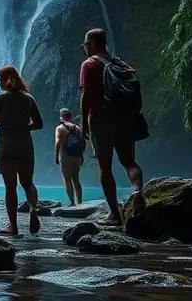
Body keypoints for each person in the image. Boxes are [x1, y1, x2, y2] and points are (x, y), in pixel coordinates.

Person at [80, 27, 146, 225]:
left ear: (91, 43)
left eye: (85, 44)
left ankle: (114, 215)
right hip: (124, 119)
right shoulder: (119, 63)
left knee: (105, 167)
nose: (84, 48)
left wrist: (83, 122)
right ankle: (138, 193)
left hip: (100, 120)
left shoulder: (89, 64)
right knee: (129, 162)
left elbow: (86, 96)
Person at [0, 65, 45, 236]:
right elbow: (39, 124)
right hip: (24, 144)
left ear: (4, 81)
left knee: (10, 187)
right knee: (28, 183)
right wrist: (24, 127)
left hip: (5, 145)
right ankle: (33, 209)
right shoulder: (28, 99)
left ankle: (13, 226)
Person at [54, 108, 85, 206]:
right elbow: (83, 142)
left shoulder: (60, 128)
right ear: (70, 117)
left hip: (66, 156)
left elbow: (58, 142)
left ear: (61, 116)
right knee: (76, 179)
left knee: (67, 179)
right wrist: (81, 155)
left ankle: (72, 203)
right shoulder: (78, 128)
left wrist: (56, 156)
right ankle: (80, 202)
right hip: (77, 156)